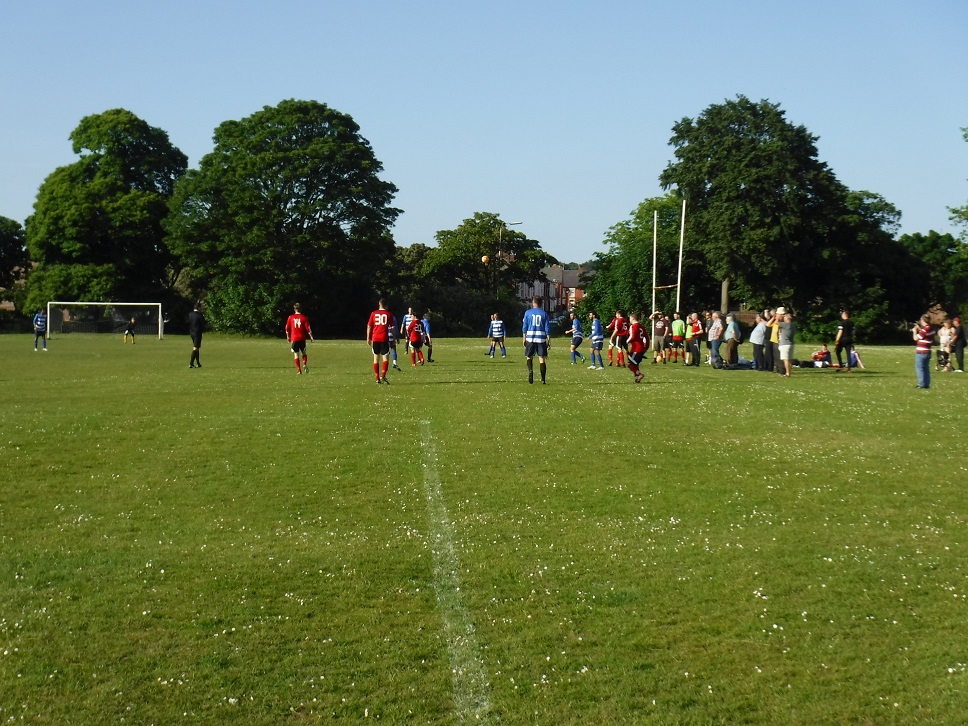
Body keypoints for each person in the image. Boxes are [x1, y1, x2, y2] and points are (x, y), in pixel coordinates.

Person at [522, 297, 550, 384]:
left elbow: (525, 326)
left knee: (529, 357)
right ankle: (543, 379)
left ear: (533, 302)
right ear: (541, 303)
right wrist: (549, 340)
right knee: (542, 359)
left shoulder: (528, 313)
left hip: (530, 337)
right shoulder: (544, 314)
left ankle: (530, 371)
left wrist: (524, 338)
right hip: (541, 338)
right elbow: (547, 328)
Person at [366, 299, 393, 384]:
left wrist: (368, 338)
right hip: (384, 338)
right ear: (386, 305)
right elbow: (392, 327)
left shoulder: (373, 313)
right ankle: (383, 375)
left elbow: (369, 326)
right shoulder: (388, 314)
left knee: (376, 358)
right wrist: (394, 338)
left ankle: (377, 378)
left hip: (375, 338)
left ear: (379, 304)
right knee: (386, 358)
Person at [284, 303, 315, 374]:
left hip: (294, 338)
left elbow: (287, 328)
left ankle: (299, 370)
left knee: (296, 354)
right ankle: (304, 363)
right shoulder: (304, 317)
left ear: (294, 309)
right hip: (302, 338)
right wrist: (311, 337)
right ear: (301, 309)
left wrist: (288, 336)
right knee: (304, 352)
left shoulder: (290, 317)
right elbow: (308, 328)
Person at [912, 315, 935, 389]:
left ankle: (921, 384)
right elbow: (925, 335)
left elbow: (916, 338)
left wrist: (914, 331)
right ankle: (926, 384)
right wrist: (919, 329)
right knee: (926, 368)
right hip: (928, 351)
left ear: (923, 320)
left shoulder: (925, 329)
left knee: (919, 368)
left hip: (921, 351)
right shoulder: (931, 328)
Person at [626, 311, 648, 383]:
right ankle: (637, 378)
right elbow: (647, 337)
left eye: (630, 318)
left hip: (636, 348)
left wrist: (627, 341)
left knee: (630, 364)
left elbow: (632, 336)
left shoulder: (633, 326)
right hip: (641, 348)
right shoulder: (641, 326)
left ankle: (639, 374)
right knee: (635, 364)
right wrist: (646, 347)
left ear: (632, 318)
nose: (629, 320)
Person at [777, 311, 796, 377]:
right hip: (791, 344)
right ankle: (789, 372)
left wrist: (778, 317)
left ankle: (787, 373)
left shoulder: (786, 324)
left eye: (784, 317)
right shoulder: (793, 325)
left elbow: (776, 322)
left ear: (788, 318)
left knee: (786, 360)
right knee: (790, 360)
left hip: (785, 344)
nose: (783, 318)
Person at [188, 302, 205, 368]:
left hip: (192, 332)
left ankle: (198, 363)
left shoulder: (190, 314)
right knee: (195, 347)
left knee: (197, 348)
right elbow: (203, 323)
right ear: (198, 307)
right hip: (198, 333)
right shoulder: (199, 315)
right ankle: (191, 363)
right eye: (201, 307)